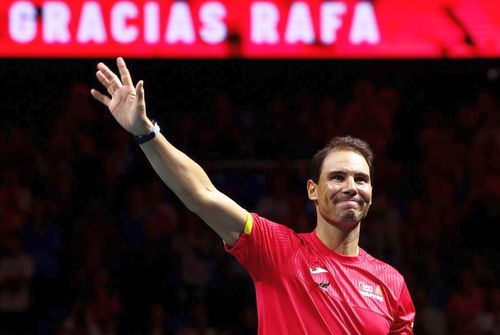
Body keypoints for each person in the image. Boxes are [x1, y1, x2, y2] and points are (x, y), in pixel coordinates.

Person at [90, 57, 416, 334]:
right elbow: (203, 194)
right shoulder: (278, 250)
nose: (351, 186)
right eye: (337, 177)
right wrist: (145, 132)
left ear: (372, 192)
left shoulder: (392, 284)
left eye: (361, 179)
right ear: (312, 190)